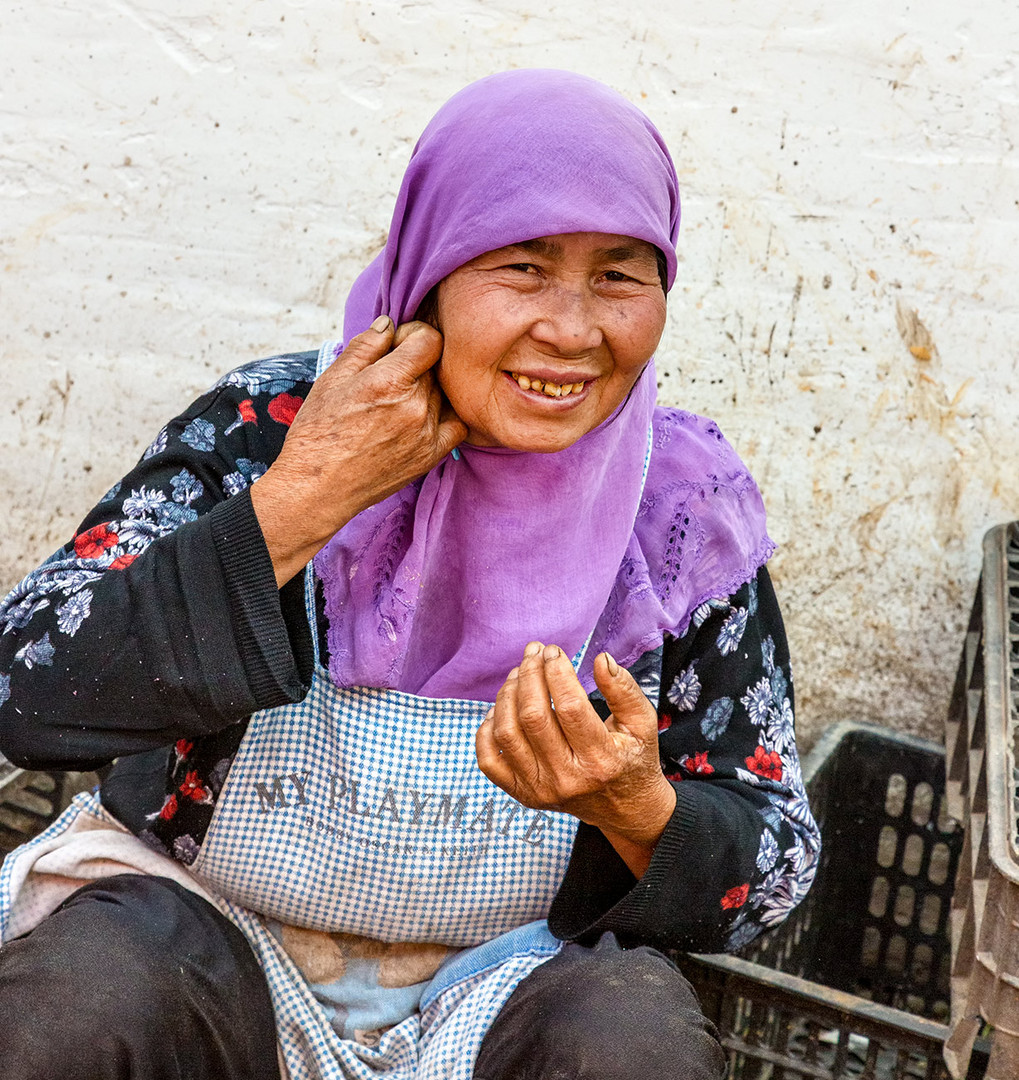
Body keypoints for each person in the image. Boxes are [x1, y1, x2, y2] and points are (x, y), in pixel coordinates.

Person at [0, 69, 819, 1080]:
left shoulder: (679, 511)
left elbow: (776, 868)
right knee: (83, 1001)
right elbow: (26, 690)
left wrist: (637, 809)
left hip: (503, 982)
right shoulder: (270, 432)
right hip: (217, 950)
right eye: (520, 267)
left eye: (618, 274)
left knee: (628, 1041)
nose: (571, 330)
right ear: (430, 271)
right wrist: (300, 503)